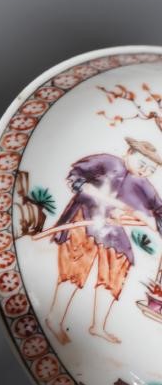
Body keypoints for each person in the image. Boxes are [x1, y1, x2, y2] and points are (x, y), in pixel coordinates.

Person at [43, 137, 162, 344]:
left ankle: (98, 325)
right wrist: (90, 191)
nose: (145, 171)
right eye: (142, 164)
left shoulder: (144, 186)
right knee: (76, 265)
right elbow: (76, 175)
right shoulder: (109, 162)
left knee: (119, 262)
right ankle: (54, 317)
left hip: (111, 228)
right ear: (129, 154)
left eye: (151, 169)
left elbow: (158, 210)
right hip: (85, 215)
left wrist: (146, 218)